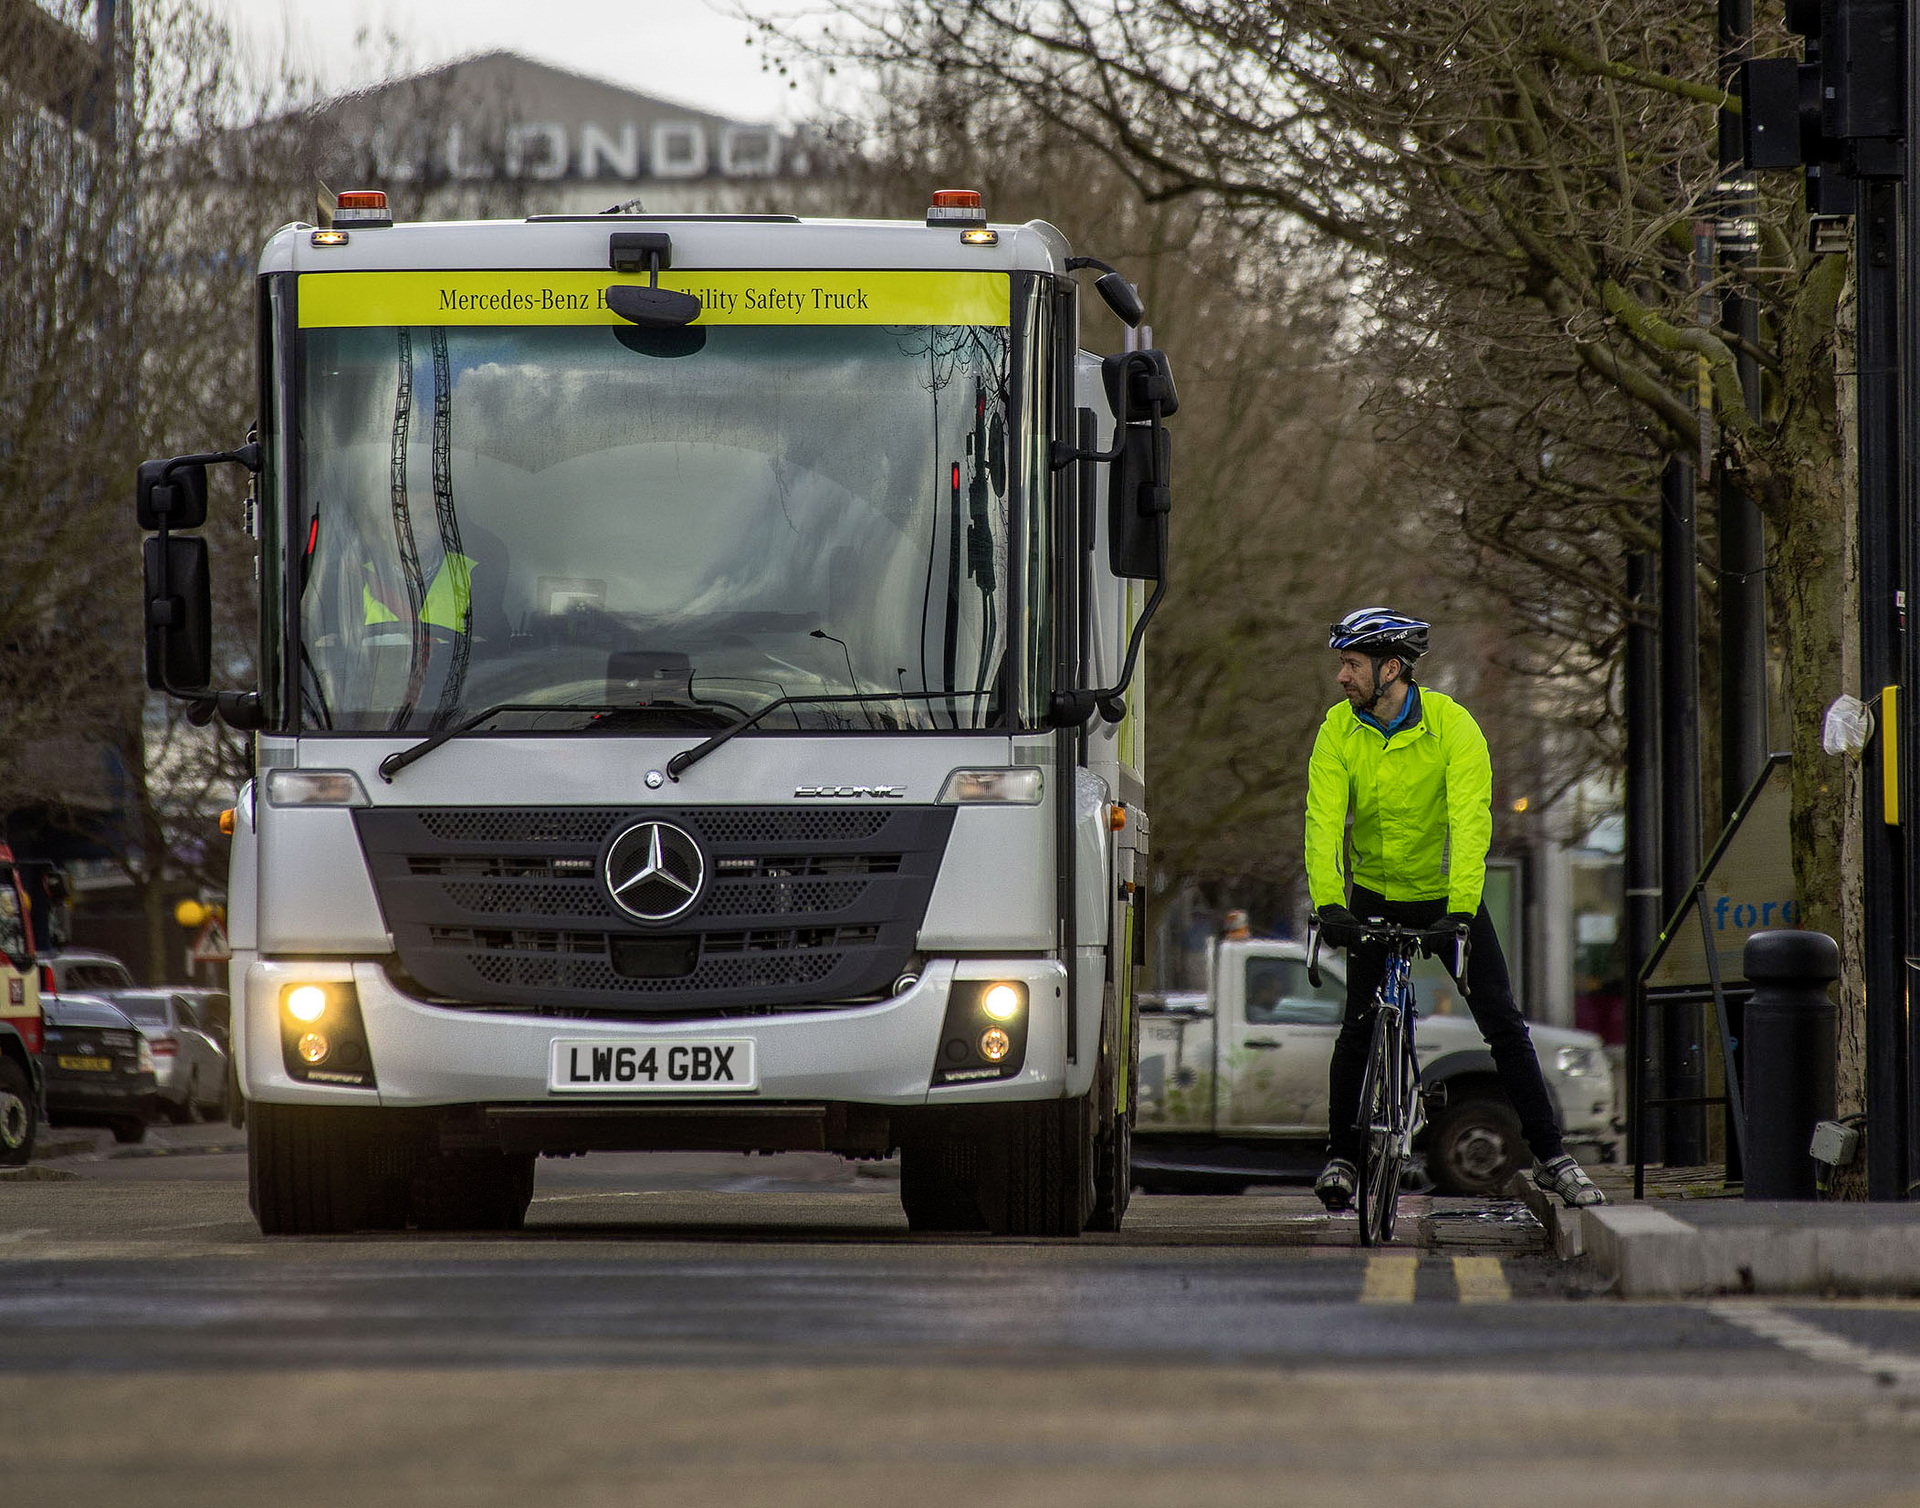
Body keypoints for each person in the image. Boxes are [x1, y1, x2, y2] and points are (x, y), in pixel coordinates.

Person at [1304, 607, 1606, 1211]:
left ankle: (1552, 1157)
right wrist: (1329, 903)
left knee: (1503, 1025)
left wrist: (1462, 910)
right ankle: (1342, 1154)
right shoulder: (1339, 727)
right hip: (1371, 895)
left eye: (1352, 664)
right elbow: (1322, 819)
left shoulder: (1453, 727)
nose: (1341, 677)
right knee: (1358, 1024)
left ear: (1392, 669)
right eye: (1342, 664)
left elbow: (1471, 823)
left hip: (1445, 898)